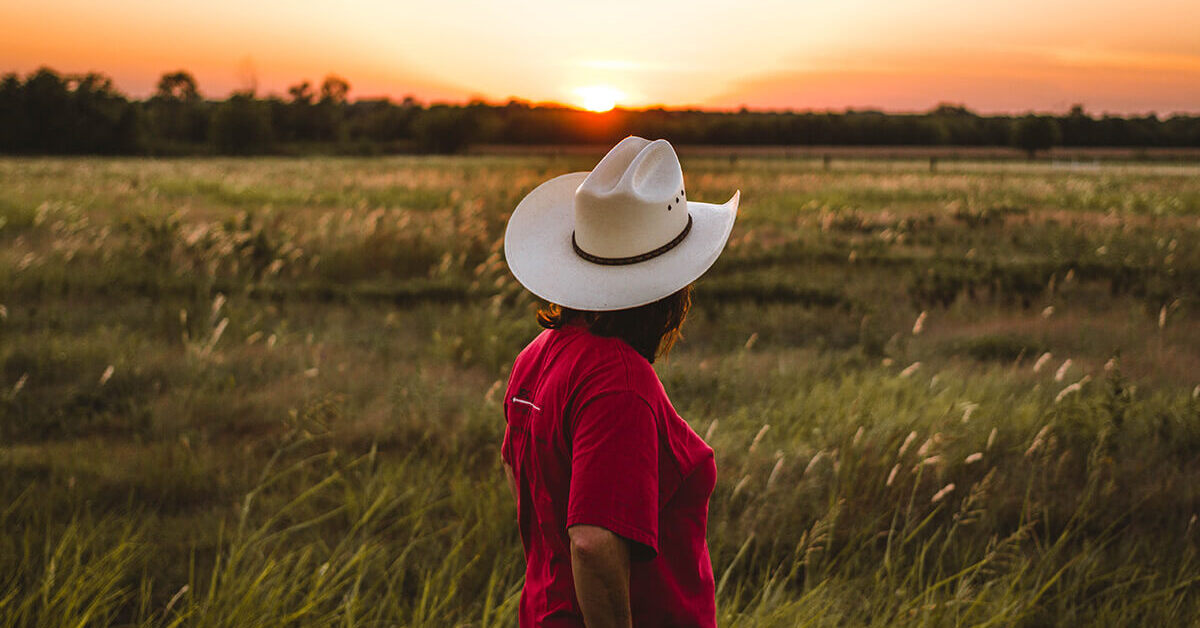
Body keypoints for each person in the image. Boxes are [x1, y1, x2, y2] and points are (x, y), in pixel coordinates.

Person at [501, 136, 740, 627]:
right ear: (671, 286)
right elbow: (590, 542)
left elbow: (519, 478)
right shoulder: (622, 383)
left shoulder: (537, 356)